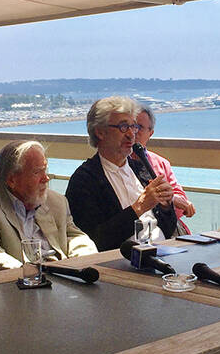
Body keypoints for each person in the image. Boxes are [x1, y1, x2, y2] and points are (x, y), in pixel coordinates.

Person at [0, 140, 97, 274]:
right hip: (19, 284)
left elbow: (75, 236)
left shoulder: (56, 201)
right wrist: (31, 274)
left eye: (45, 170)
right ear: (12, 180)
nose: (46, 178)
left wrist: (82, 262)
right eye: (37, 172)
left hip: (64, 275)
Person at [65, 96, 177, 251]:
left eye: (134, 126)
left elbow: (168, 228)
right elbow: (94, 240)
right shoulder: (84, 180)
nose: (132, 135)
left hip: (163, 251)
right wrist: (139, 207)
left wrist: (166, 206)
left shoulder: (140, 168)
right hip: (122, 263)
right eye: (123, 127)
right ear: (100, 132)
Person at [132, 104, 195, 226]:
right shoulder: (119, 163)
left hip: (167, 226)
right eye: (131, 126)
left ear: (150, 133)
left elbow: (182, 201)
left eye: (139, 127)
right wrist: (170, 199)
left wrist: (173, 199)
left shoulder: (161, 163)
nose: (134, 132)